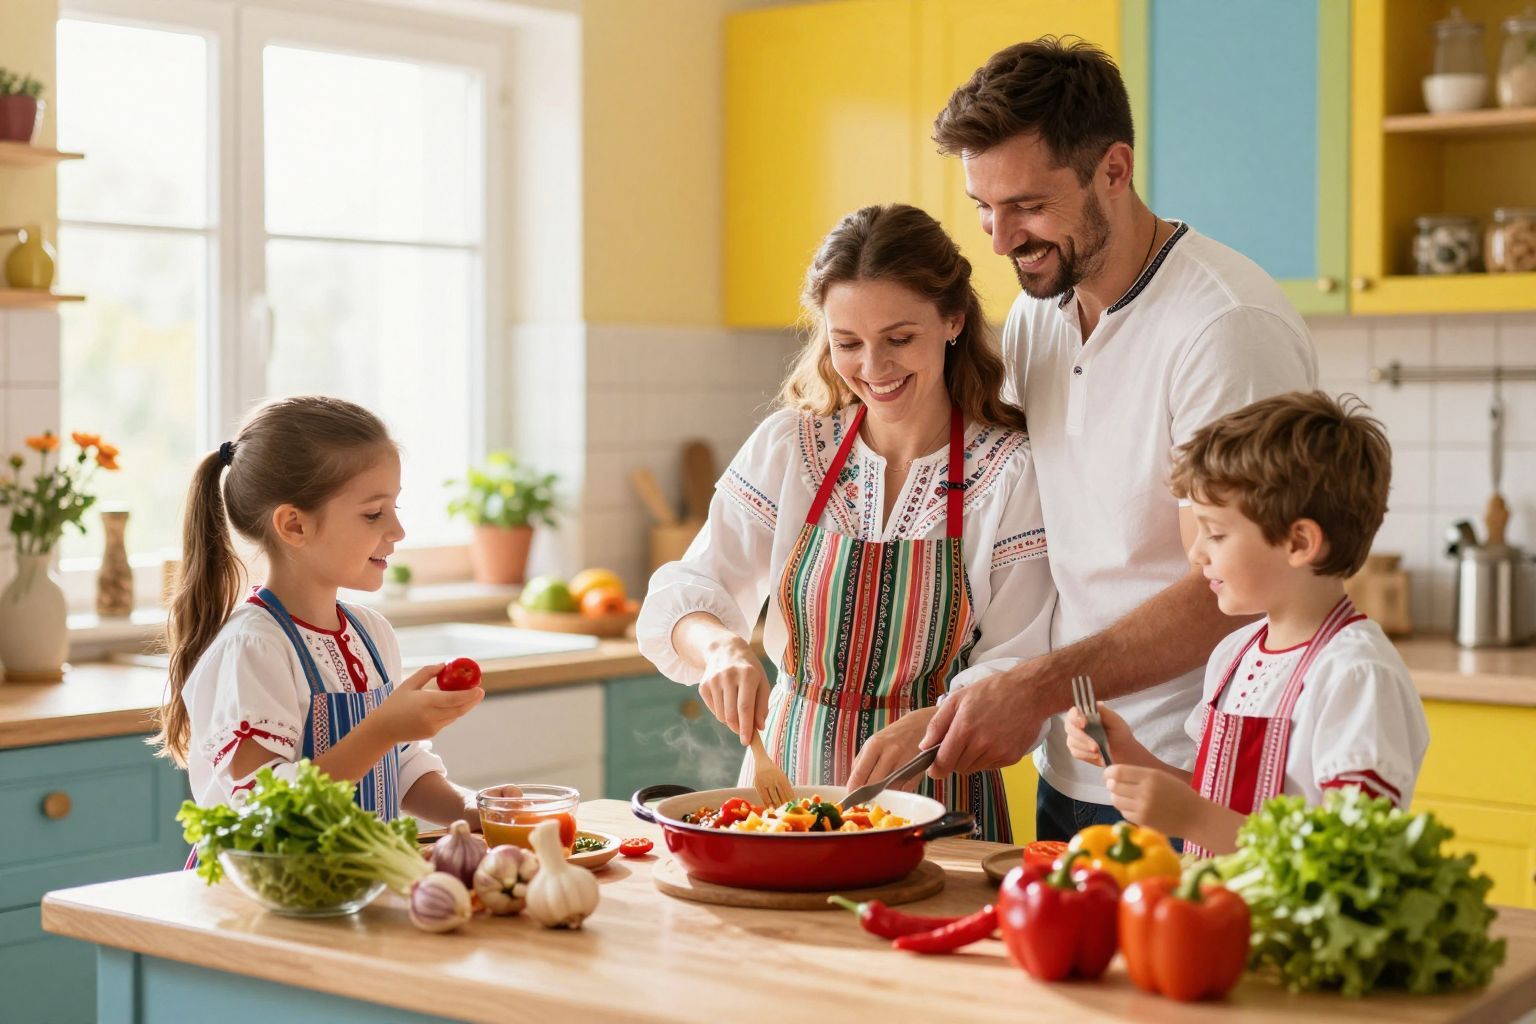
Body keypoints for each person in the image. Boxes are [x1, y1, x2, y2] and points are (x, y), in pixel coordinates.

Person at [868, 37, 1316, 841]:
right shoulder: (1042, 311)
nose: (999, 240)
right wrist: (969, 703)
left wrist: (1037, 688)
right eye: (984, 206)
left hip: (1198, 775)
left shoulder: (1223, 327)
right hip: (1072, 764)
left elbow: (1246, 581)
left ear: (1115, 168)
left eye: (1028, 207)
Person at [638, 204, 1054, 841]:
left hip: (937, 806)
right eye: (848, 343)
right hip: (786, 804)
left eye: (899, 339)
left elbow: (1020, 664)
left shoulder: (1006, 471)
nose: (873, 369)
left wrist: (935, 726)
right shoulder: (791, 448)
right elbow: (685, 595)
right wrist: (720, 646)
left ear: (952, 320)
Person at [1064, 391, 1429, 855]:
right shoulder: (1234, 654)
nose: (1196, 554)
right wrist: (1135, 758)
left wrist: (1192, 819)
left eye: (1215, 533)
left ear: (1299, 542)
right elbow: (1221, 797)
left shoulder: (1356, 676)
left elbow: (1352, 855)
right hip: (1225, 916)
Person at [154, 395, 483, 829]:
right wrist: (384, 728)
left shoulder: (372, 633)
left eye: (394, 508)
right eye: (373, 514)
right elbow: (266, 807)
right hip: (263, 895)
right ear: (294, 525)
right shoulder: (254, 647)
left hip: (347, 889)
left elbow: (399, 772)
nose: (397, 530)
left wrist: (475, 810)